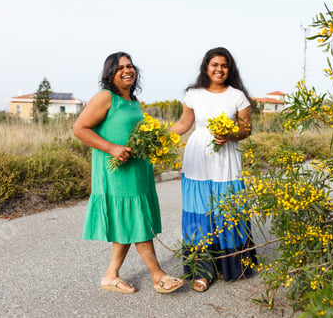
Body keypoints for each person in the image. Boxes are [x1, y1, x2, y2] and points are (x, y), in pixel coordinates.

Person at [73, 52, 184, 294]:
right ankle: (158, 276)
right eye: (121, 67)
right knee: (136, 221)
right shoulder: (106, 97)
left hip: (137, 171)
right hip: (117, 174)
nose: (127, 70)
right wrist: (112, 148)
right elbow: (79, 128)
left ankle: (110, 276)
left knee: (128, 222)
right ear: (110, 73)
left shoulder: (133, 102)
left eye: (130, 66)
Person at [171, 47, 257, 292]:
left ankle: (230, 266)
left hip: (226, 157)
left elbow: (246, 130)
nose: (219, 69)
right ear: (206, 67)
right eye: (214, 64)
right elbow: (183, 124)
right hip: (197, 156)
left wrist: (230, 134)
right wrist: (158, 137)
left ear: (229, 69)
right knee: (199, 210)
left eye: (224, 65)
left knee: (227, 207)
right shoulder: (193, 94)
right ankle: (203, 271)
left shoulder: (238, 96)